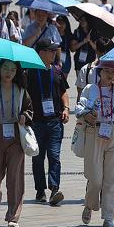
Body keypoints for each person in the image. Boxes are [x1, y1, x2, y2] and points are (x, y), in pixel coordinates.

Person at [75, 61, 114, 227]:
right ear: (100, 71)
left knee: (112, 179)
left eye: (113, 72)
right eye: (106, 71)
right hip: (94, 132)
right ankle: (89, 203)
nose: (110, 74)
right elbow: (80, 110)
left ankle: (109, 217)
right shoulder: (90, 89)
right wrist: (87, 117)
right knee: (96, 178)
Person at [0, 60, 33, 227]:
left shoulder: (21, 91)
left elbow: (29, 110)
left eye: (12, 69)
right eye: (5, 68)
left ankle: (13, 216)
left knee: (15, 177)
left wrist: (25, 116)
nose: (8, 72)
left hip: (16, 136)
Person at [27, 39, 70, 205]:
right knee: (38, 158)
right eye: (51, 51)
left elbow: (64, 92)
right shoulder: (30, 72)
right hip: (36, 122)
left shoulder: (57, 71)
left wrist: (66, 108)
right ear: (41, 53)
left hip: (54, 121)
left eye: (54, 51)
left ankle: (54, 189)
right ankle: (40, 191)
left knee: (54, 155)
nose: (54, 53)